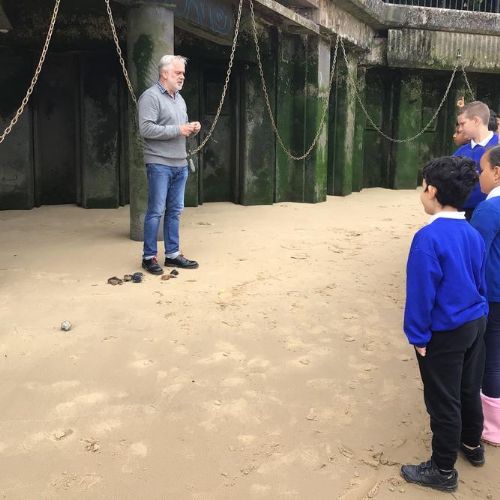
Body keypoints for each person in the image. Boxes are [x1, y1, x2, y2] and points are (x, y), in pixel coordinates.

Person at [401, 156, 489, 492]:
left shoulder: (428, 238)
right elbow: (480, 280)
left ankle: (442, 470)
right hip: (475, 321)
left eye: (423, 186)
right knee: (468, 387)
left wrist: (418, 336)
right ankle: (472, 444)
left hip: (446, 330)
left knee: (443, 399)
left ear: (433, 191)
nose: (422, 192)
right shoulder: (471, 232)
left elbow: (421, 294)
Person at [138, 55, 201, 275]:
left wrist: (191, 128)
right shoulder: (150, 97)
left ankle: (172, 255)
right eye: (178, 73)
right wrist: (178, 129)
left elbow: (178, 129)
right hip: (159, 163)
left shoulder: (179, 99)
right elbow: (146, 129)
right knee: (156, 211)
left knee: (175, 211)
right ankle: (149, 257)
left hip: (180, 163)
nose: (182, 77)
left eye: (183, 73)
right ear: (164, 73)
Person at [470, 146, 500, 446]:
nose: (480, 176)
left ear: (497, 172)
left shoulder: (490, 209)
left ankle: (492, 427)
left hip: (493, 295)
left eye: (483, 170)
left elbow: (474, 257)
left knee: (491, 359)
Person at [454, 101, 499, 220]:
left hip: (492, 213)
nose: (460, 129)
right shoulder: (461, 151)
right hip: (463, 213)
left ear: (476, 121)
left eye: (463, 124)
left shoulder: (498, 145)